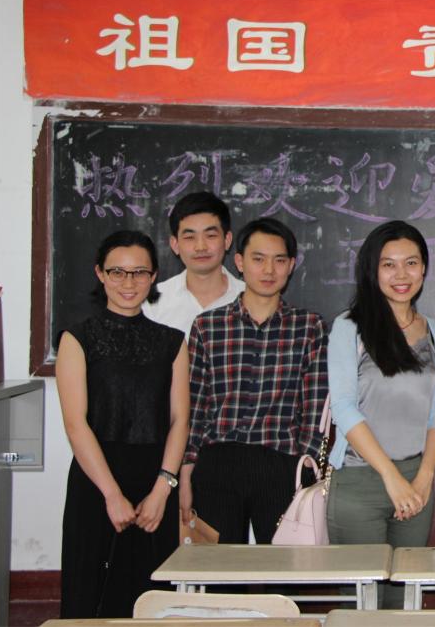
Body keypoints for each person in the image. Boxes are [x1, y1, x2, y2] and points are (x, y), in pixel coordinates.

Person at [57, 230, 189, 618]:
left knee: (151, 598)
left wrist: (163, 489)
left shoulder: (172, 342)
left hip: (155, 482)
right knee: (88, 597)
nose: (128, 283)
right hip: (96, 481)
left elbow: (180, 419)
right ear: (100, 274)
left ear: (153, 276)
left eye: (139, 272)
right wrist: (111, 494)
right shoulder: (77, 338)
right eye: (117, 272)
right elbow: (75, 424)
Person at [181, 217, 328, 543]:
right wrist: (187, 468)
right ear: (239, 262)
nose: (268, 270)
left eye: (279, 260)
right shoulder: (208, 326)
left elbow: (316, 405)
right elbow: (195, 406)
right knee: (219, 566)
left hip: (280, 462)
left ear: (291, 265)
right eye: (258, 259)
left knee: (282, 566)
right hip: (218, 462)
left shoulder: (308, 326)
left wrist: (304, 466)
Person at [327, 221, 435, 609]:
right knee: (361, 606)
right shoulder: (349, 327)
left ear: (424, 268)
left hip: (417, 481)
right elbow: (344, 407)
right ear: (372, 269)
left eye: (411, 263)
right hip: (360, 480)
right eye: (388, 264)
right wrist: (391, 478)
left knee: (403, 603)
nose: (401, 275)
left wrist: (424, 477)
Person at [143, 191, 244, 337]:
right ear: (175, 244)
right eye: (190, 237)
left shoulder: (250, 298)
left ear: (227, 240)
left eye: (210, 235)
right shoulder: (153, 302)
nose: (201, 247)